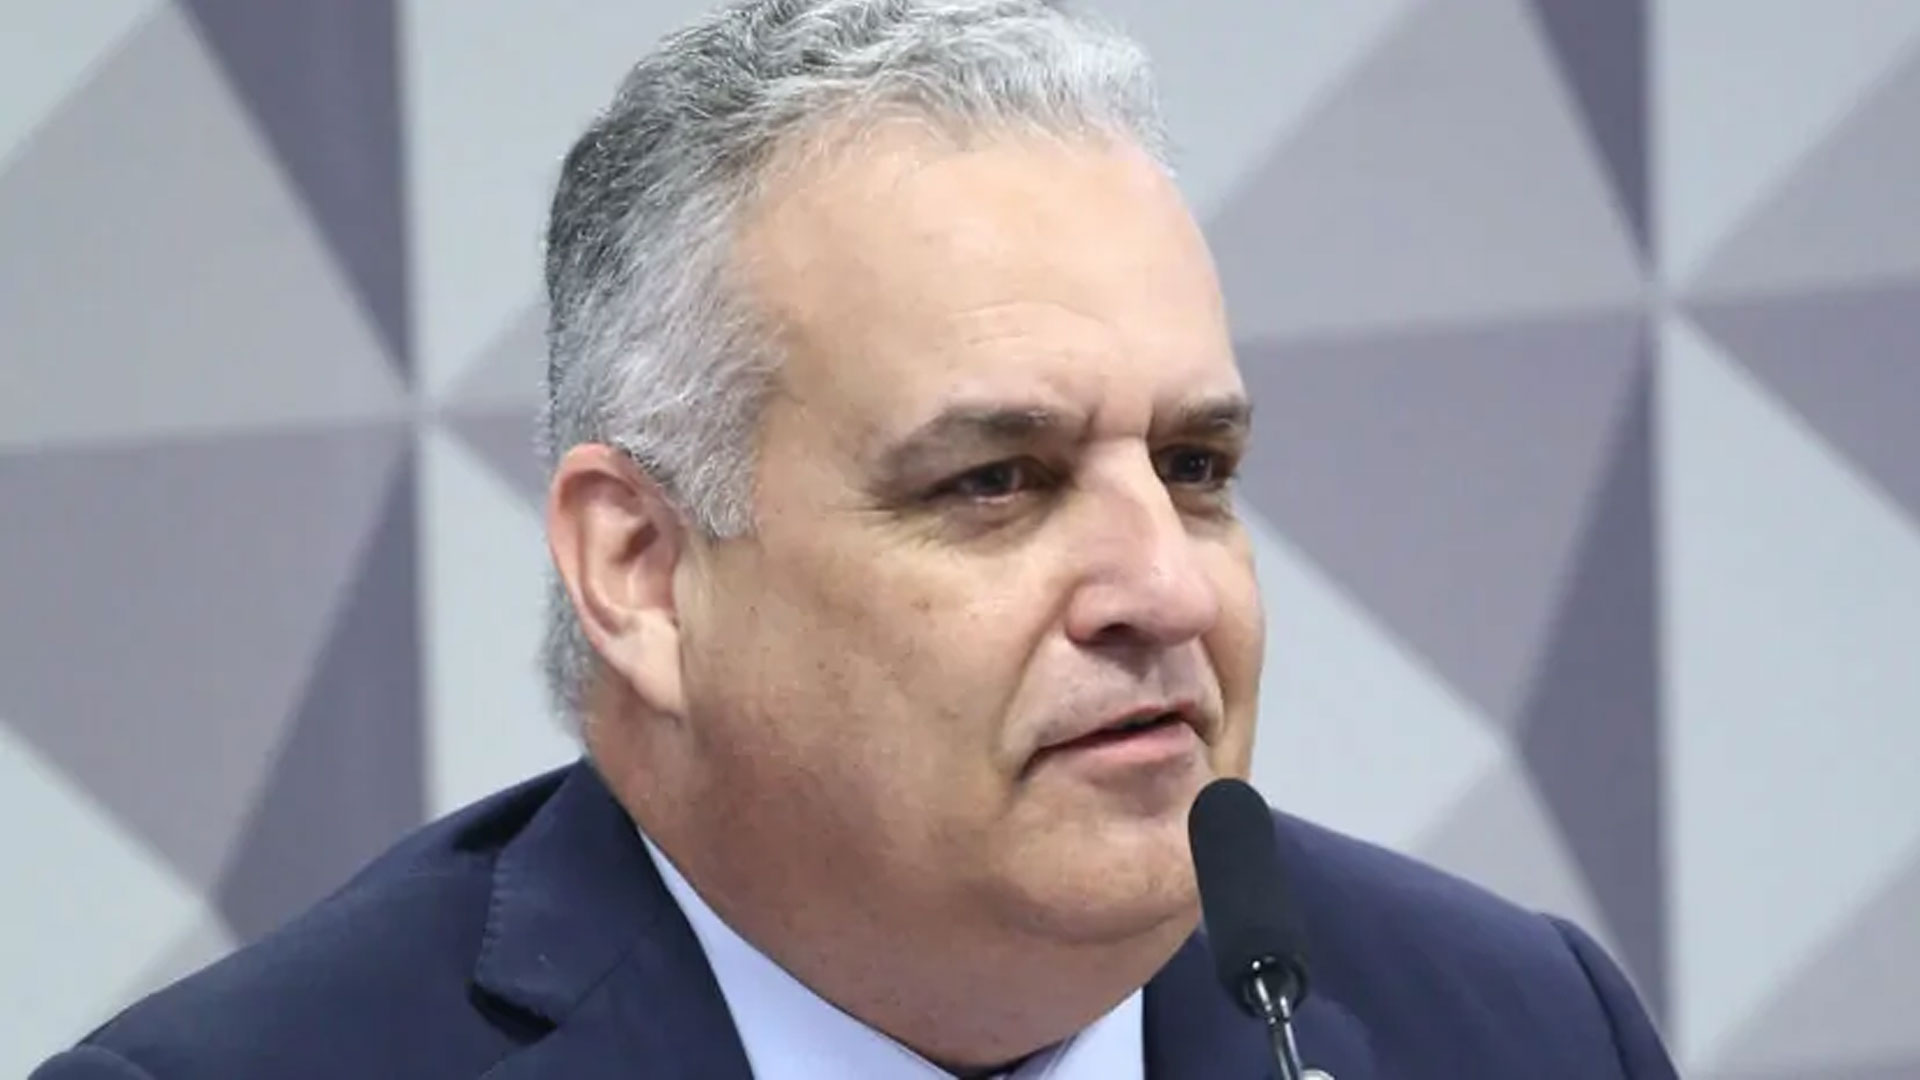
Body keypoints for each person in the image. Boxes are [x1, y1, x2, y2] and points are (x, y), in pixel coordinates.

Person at [34, 1, 1680, 1076]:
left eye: (1194, 467)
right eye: (997, 481)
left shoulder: (1525, 1030)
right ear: (641, 571)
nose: (1166, 587)